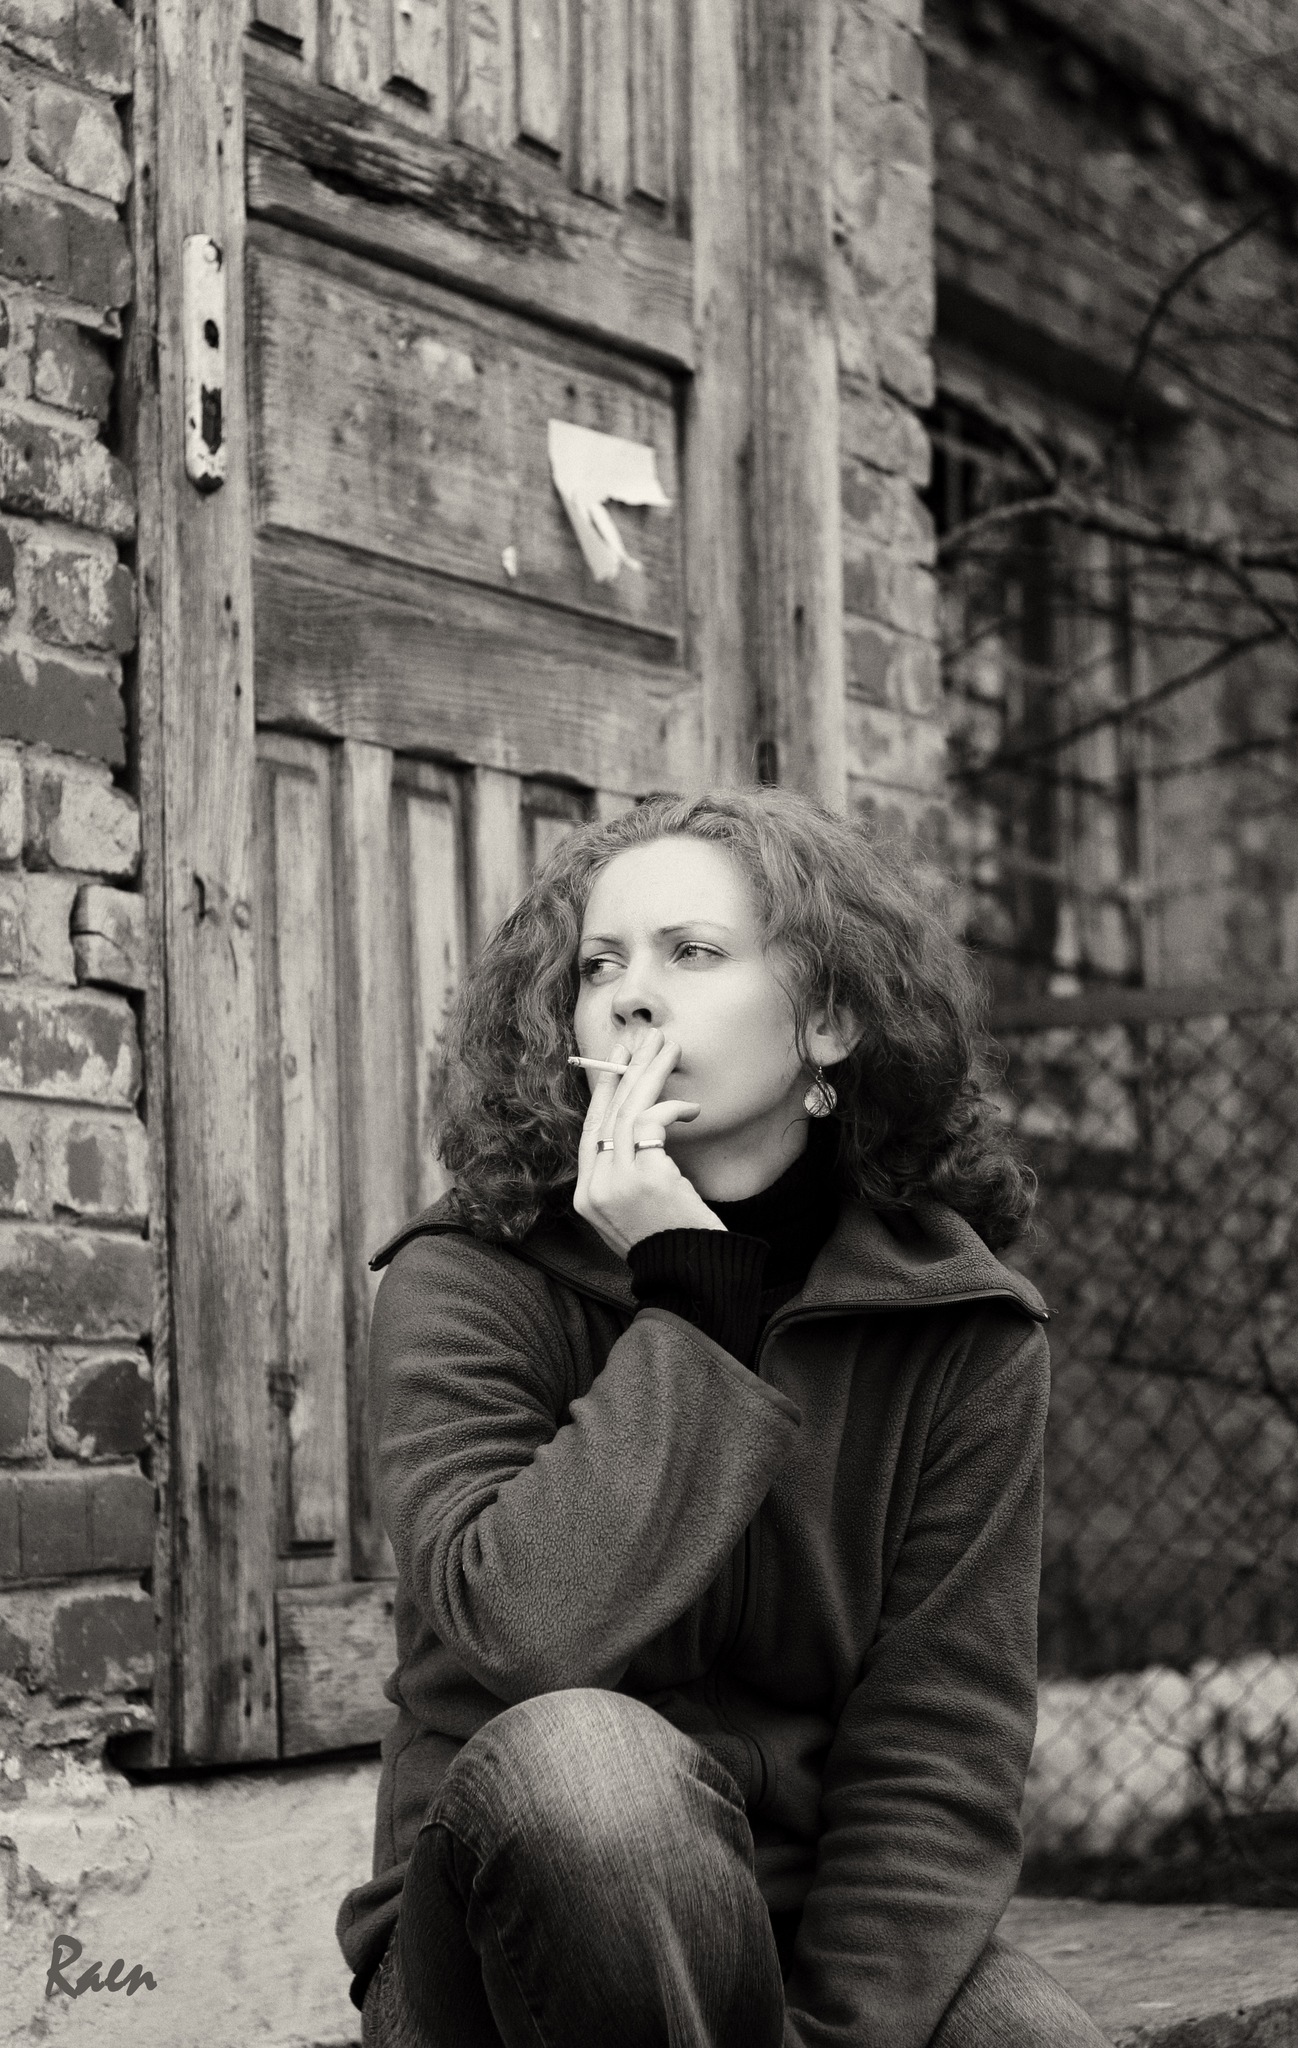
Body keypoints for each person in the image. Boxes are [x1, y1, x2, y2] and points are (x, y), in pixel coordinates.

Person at [336, 783, 1110, 2048]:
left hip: (808, 1933)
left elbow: (938, 1743)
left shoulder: (956, 1327)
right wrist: (692, 1302)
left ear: (830, 1020)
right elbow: (526, 1633)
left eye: (692, 952)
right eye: (600, 965)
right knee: (590, 1766)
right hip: (506, 1939)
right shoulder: (468, 1276)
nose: (632, 996)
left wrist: (843, 2029)